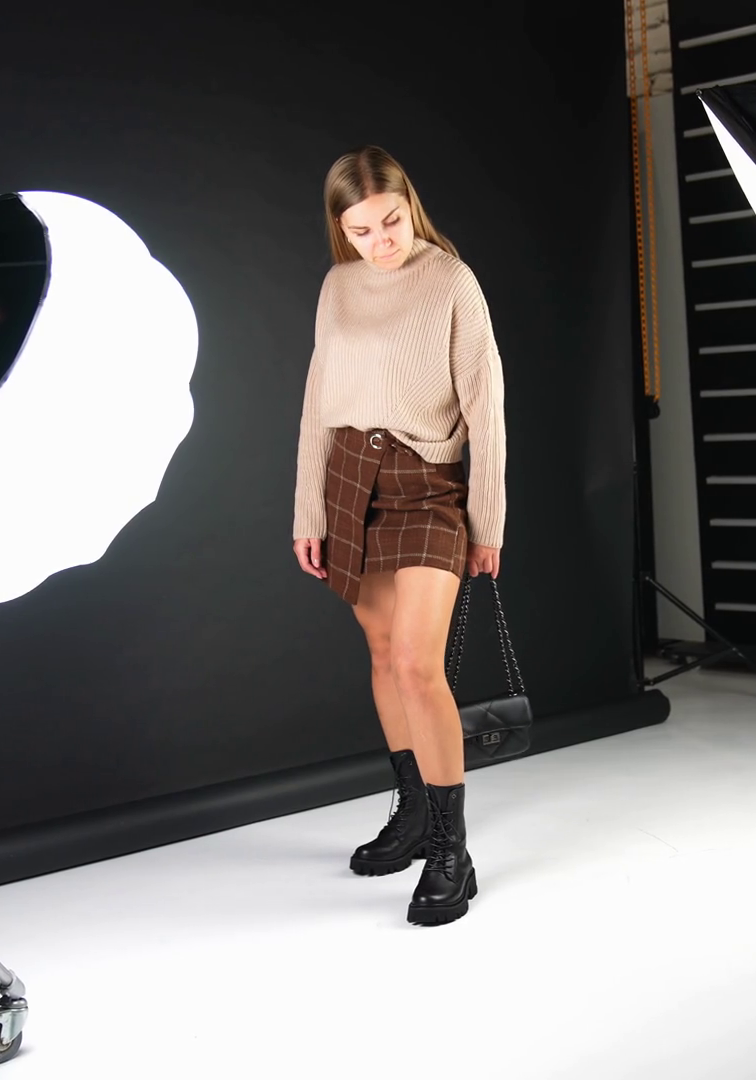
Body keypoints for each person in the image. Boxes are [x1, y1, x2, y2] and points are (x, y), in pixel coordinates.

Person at [291, 145, 506, 927]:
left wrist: (488, 518)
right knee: (384, 656)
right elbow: (318, 400)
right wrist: (307, 513)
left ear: (409, 203)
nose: (380, 241)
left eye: (391, 221)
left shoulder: (451, 280)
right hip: (351, 483)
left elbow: (486, 405)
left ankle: (452, 849)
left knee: (419, 664)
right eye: (361, 230)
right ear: (340, 229)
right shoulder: (338, 286)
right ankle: (414, 813)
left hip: (427, 487)